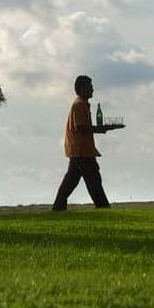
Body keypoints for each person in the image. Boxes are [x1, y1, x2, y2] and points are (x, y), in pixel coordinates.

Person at [52, 74, 121, 210]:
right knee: (93, 179)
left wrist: (103, 129)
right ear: (83, 89)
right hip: (81, 151)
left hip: (80, 150)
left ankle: (58, 207)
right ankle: (103, 207)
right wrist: (102, 129)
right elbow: (81, 127)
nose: (93, 90)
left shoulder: (81, 104)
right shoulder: (79, 105)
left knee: (72, 180)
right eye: (90, 87)